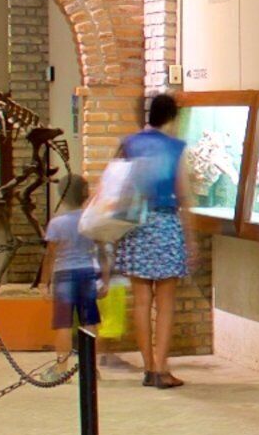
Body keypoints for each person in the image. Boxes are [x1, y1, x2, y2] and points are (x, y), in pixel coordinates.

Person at [109, 93, 191, 388]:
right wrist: (190, 237)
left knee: (141, 302)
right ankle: (162, 367)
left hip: (135, 225)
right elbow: (183, 192)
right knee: (165, 304)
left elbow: (114, 184)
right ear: (172, 117)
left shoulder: (129, 143)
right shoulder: (175, 147)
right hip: (166, 224)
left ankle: (147, 368)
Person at [45, 169, 103, 336]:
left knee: (63, 323)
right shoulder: (91, 221)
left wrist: (44, 283)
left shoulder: (56, 224)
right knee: (90, 320)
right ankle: (91, 353)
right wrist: (104, 278)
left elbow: (50, 255)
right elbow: (101, 252)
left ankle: (63, 354)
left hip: (63, 272)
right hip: (87, 271)